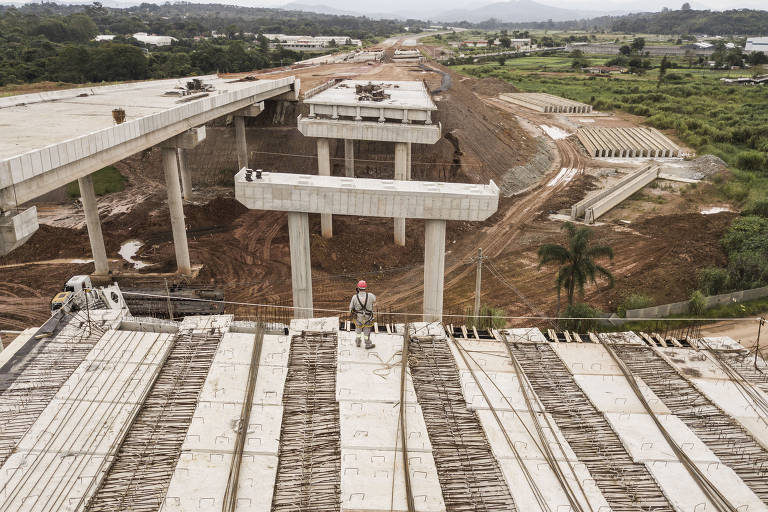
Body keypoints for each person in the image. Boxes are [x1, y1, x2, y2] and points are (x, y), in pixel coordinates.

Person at [349, 280, 376, 349]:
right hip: (368, 318)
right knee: (367, 331)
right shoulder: (370, 295)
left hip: (358, 317)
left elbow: (351, 308)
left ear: (358, 288)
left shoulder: (354, 297)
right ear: (365, 287)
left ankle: (358, 343)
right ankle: (368, 344)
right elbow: (374, 299)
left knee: (358, 331)